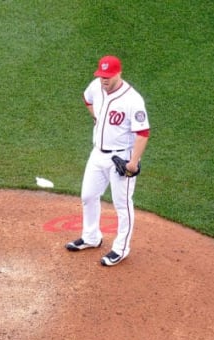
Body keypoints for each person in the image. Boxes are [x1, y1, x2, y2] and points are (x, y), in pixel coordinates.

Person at [65, 55, 151, 266]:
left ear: (118, 74)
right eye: (101, 75)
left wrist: (132, 162)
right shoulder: (96, 86)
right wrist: (96, 118)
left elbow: (143, 133)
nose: (104, 80)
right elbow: (87, 99)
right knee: (88, 195)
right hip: (97, 154)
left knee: (122, 204)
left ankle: (121, 249)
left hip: (121, 157)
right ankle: (91, 237)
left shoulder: (133, 100)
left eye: (108, 76)